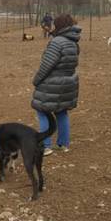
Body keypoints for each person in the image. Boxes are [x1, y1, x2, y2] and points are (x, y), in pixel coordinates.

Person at [31, 13, 81, 156]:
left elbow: (46, 66)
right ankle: (63, 144)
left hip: (52, 84)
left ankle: (45, 146)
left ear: (59, 26)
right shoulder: (73, 42)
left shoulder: (57, 42)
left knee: (43, 111)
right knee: (61, 112)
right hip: (67, 83)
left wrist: (36, 80)